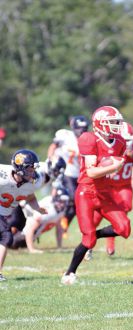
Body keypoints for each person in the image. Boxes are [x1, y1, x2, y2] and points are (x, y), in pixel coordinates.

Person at [61, 105, 131, 285]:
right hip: (87, 191)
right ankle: (69, 273)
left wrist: (114, 172)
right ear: (100, 124)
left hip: (105, 191)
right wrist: (113, 166)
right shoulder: (88, 138)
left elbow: (112, 168)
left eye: (117, 122)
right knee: (88, 241)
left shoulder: (120, 142)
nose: (116, 126)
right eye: (112, 122)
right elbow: (91, 172)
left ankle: (94, 234)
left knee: (124, 228)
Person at [88, 121, 133, 257]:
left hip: (124, 186)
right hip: (107, 187)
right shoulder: (110, 145)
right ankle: (88, 244)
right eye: (126, 139)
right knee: (96, 218)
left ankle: (110, 241)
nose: (128, 143)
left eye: (130, 139)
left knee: (123, 212)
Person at [0, 149, 47, 281]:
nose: (33, 171)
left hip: (4, 213)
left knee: (6, 236)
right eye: (30, 168)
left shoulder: (32, 182)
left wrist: (38, 208)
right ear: (19, 168)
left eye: (33, 168)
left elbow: (30, 197)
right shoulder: (2, 175)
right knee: (6, 236)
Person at [47, 115, 89, 234]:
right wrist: (51, 158)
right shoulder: (65, 136)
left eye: (84, 128)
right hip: (66, 172)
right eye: (79, 128)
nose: (82, 131)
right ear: (73, 127)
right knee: (71, 197)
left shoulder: (88, 139)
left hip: (80, 174)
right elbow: (53, 146)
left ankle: (63, 224)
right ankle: (50, 220)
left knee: (79, 202)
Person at [11, 187, 70, 253]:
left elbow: (59, 228)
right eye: (61, 201)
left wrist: (59, 246)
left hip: (31, 234)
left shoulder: (60, 210)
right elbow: (30, 229)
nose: (63, 204)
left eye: (65, 201)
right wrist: (31, 249)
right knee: (9, 241)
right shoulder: (48, 209)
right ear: (56, 199)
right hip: (23, 229)